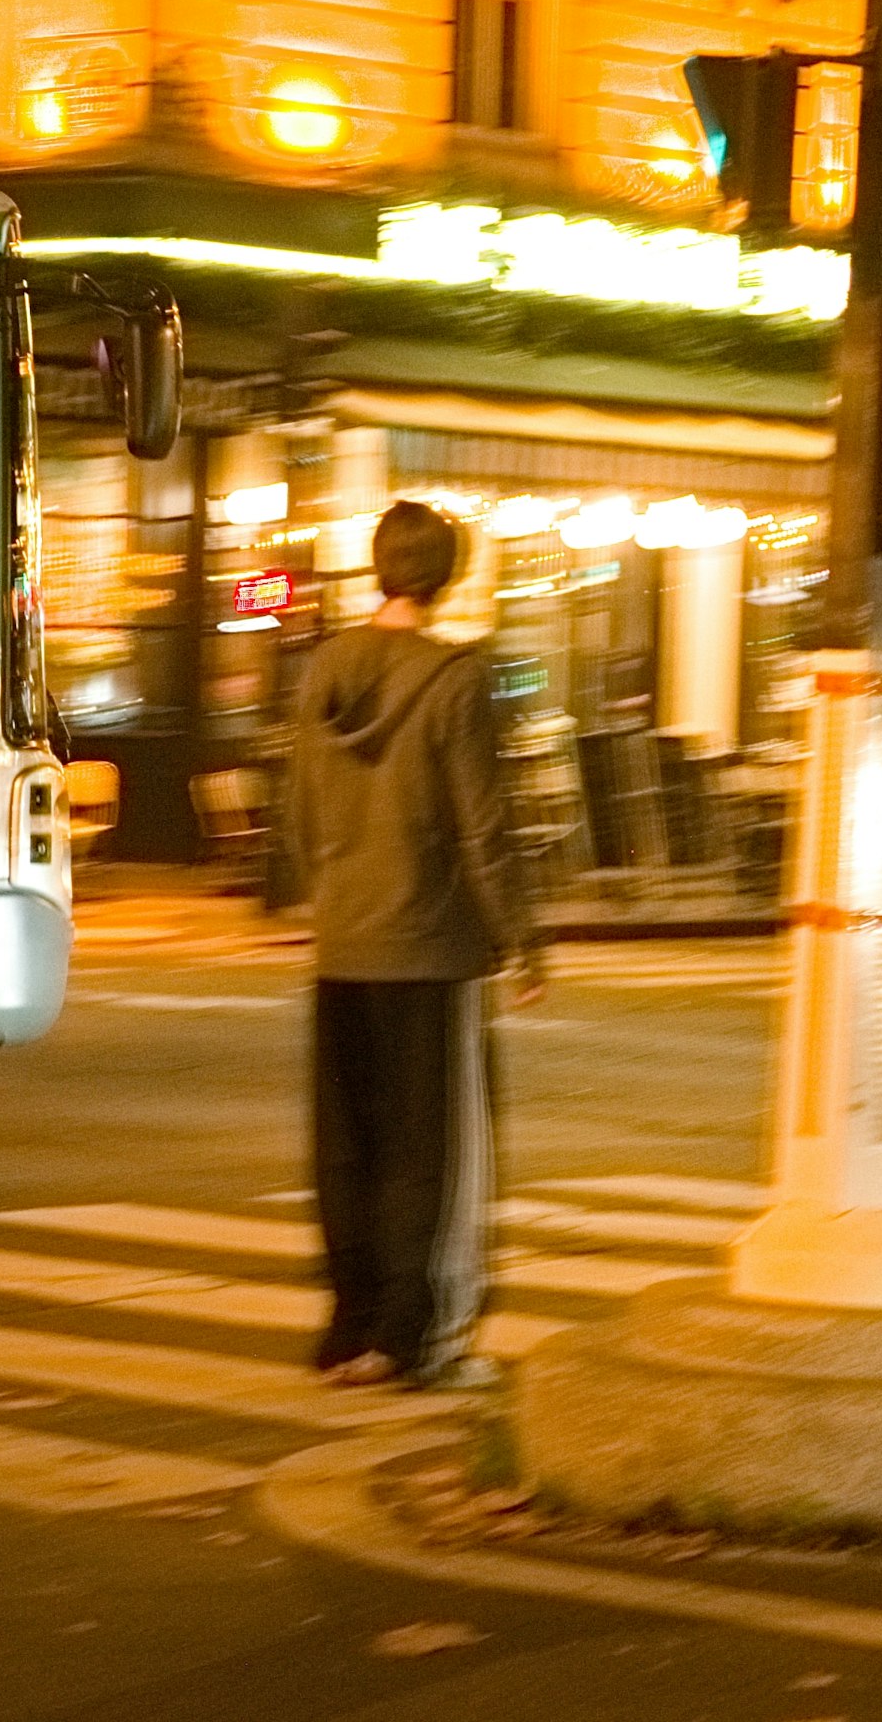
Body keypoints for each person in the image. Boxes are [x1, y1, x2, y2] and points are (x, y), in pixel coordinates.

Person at [281, 499, 543, 1391]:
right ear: (449, 574)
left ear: (378, 567)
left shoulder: (324, 670)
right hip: (428, 951)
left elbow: (301, 811)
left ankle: (347, 1325)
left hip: (343, 944)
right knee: (430, 1150)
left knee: (347, 1144)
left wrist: (330, 895)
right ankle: (411, 1335)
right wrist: (520, 938)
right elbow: (484, 824)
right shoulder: (454, 680)